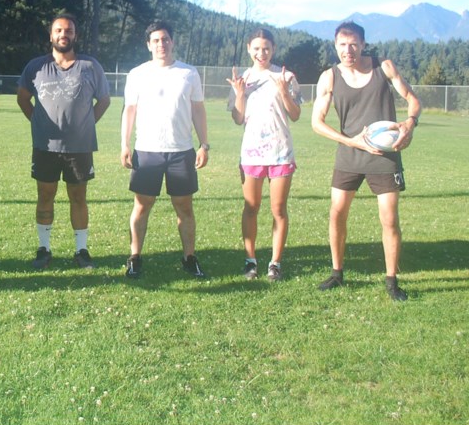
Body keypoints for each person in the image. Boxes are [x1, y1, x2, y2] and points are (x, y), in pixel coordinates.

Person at [311, 21, 421, 301]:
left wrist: (409, 123)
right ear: (335, 46)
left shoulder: (383, 67)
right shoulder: (329, 77)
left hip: (384, 156)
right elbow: (316, 123)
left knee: (389, 219)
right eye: (342, 45)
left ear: (362, 44)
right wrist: (351, 141)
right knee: (337, 213)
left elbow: (412, 100)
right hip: (349, 153)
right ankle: (337, 273)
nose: (348, 50)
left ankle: (392, 281)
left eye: (354, 44)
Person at [17, 14, 110, 269]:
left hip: (79, 148)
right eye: (58, 30)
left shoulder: (90, 66)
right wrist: (37, 122)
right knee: (45, 195)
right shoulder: (35, 67)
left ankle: (81, 250)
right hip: (46, 147)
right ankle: (43, 248)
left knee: (78, 196)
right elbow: (23, 98)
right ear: (51, 35)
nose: (63, 34)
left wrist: (87, 124)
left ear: (75, 35)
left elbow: (104, 100)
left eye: (68, 30)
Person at [121, 20, 209, 279]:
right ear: (149, 45)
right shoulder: (137, 74)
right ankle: (135, 257)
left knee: (184, 207)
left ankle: (189, 257)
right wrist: (124, 144)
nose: (162, 44)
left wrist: (204, 144)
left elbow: (198, 110)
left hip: (181, 151)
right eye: (156, 40)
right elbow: (130, 110)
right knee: (142, 205)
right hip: (147, 150)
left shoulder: (189, 73)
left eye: (165, 39)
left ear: (173, 41)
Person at [226, 28, 303, 282]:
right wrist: (239, 94)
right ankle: (250, 261)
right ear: (249, 48)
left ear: (274, 49)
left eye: (267, 48)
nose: (262, 53)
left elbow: (295, 115)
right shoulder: (242, 78)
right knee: (251, 207)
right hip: (251, 155)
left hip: (280, 153)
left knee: (278, 209)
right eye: (257, 48)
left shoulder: (286, 76)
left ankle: (275, 263)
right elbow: (238, 119)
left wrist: (283, 91)